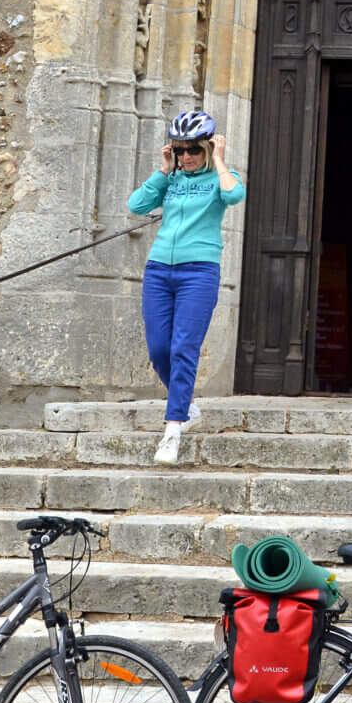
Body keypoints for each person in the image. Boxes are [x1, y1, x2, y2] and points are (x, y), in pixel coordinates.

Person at [125, 110, 246, 463]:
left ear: (207, 147)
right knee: (160, 350)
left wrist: (220, 160)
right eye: (180, 150)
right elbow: (137, 206)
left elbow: (234, 194)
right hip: (160, 270)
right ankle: (188, 406)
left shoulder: (220, 178)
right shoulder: (172, 179)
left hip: (199, 272)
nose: (187, 157)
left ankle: (173, 429)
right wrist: (163, 170)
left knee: (183, 349)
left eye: (193, 149)